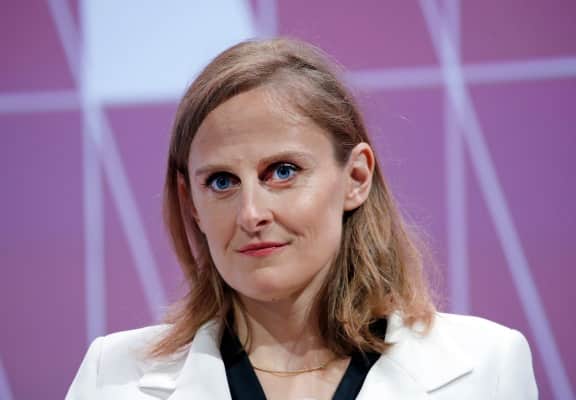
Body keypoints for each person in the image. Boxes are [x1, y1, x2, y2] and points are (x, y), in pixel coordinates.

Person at [66, 37, 538, 400]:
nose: (251, 214)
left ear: (356, 177)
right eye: (222, 181)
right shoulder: (112, 376)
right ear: (191, 203)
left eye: (282, 172)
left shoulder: (486, 368)